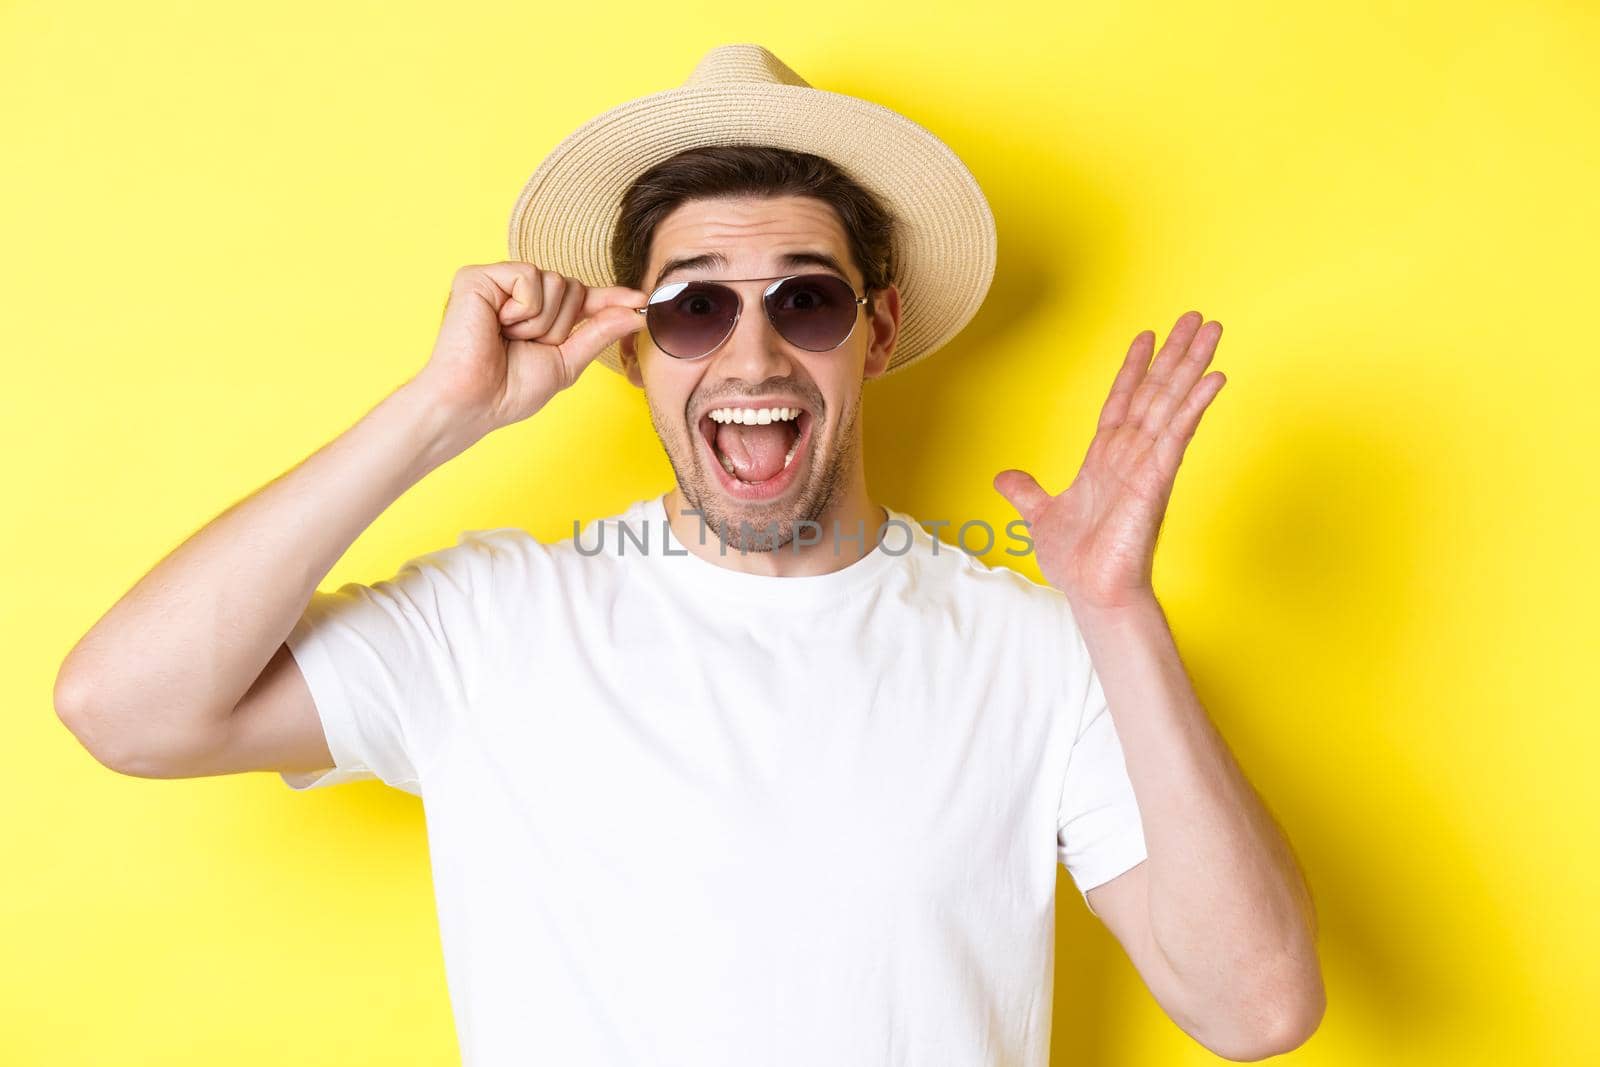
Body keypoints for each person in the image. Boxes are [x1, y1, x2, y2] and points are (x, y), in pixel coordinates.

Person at [55, 43, 1324, 1067]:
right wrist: (440, 409)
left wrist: (1116, 612)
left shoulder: (1039, 648)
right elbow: (123, 706)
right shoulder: (492, 625)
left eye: (806, 299)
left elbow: (1255, 1009)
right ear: (629, 346)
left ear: (874, 331)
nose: (755, 356)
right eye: (694, 304)